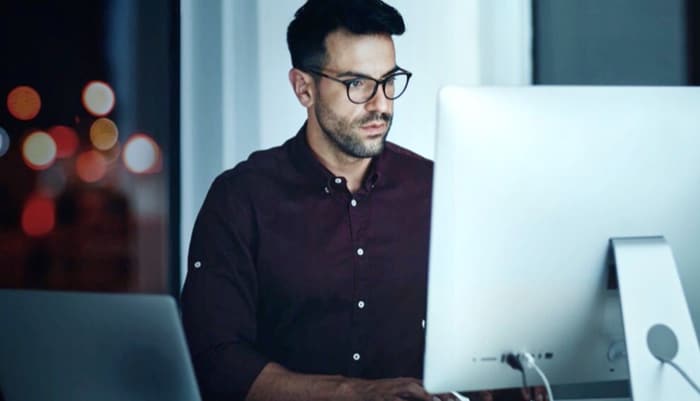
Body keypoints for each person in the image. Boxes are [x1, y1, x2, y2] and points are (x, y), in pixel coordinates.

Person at [182, 1, 541, 400]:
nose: (381, 104)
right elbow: (216, 362)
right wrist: (356, 394)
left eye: (389, 80)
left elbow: (487, 332)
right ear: (304, 88)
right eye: (357, 84)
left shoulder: (437, 190)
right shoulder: (240, 199)